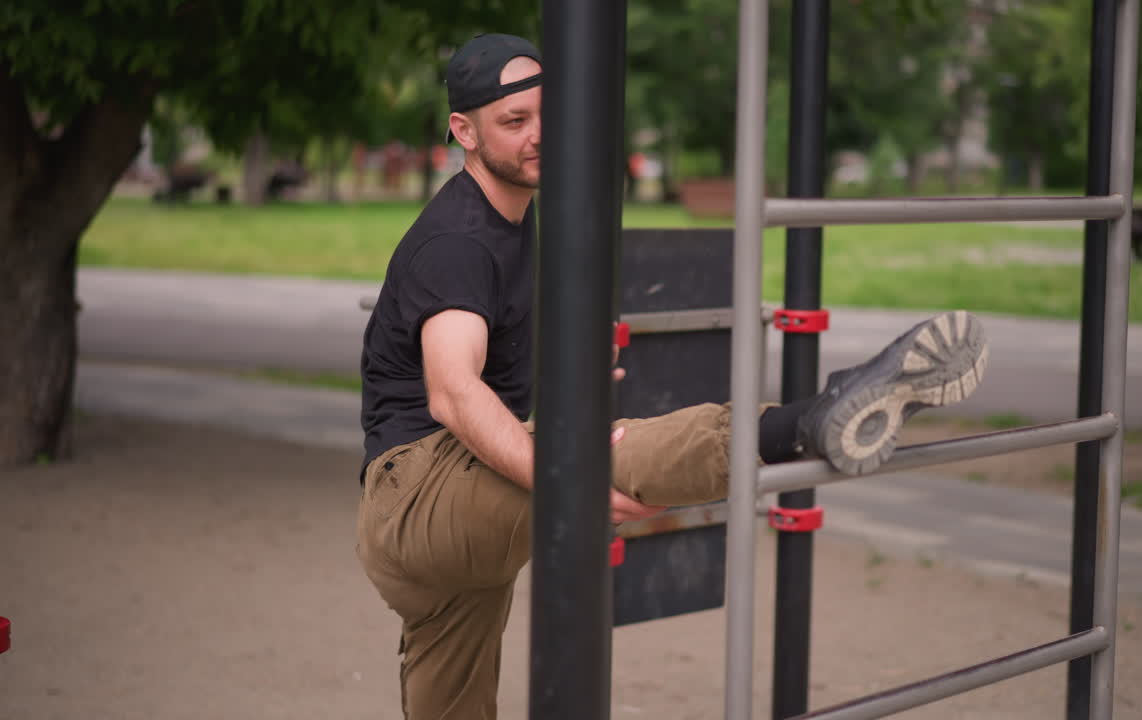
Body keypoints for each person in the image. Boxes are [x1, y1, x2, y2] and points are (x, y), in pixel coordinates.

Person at [355, 33, 989, 720]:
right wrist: (575, 483)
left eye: (549, 115)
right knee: (603, 457)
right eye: (515, 122)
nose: (541, 136)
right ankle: (807, 422)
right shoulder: (458, 240)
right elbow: (453, 391)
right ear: (463, 131)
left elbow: (490, 349)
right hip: (419, 493)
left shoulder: (510, 222)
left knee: (449, 703)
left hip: (435, 526)